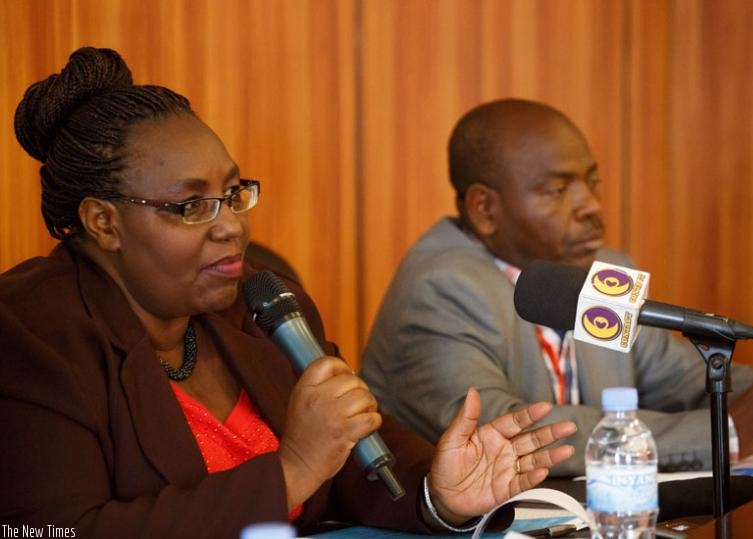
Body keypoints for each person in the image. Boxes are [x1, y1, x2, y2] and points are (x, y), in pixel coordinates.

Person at [0, 50, 579, 537]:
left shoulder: (265, 307)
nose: (231, 226)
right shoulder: (29, 332)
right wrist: (291, 471)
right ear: (103, 223)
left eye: (234, 194)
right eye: (192, 206)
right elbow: (59, 529)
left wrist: (439, 493)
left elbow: (359, 464)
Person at [360, 98, 753, 477]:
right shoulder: (441, 288)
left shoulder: (599, 269)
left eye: (592, 182)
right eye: (558, 190)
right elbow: (508, 432)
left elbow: (684, 382)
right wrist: (725, 432)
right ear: (485, 209)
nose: (591, 205)